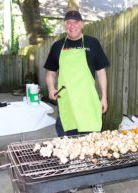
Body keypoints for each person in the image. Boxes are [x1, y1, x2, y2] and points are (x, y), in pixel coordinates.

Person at [44, 10, 108, 193]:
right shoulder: (57, 46)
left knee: (92, 143)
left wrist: (104, 97)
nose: (71, 25)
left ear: (82, 24)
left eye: (75, 22)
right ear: (65, 25)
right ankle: (74, 180)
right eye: (68, 22)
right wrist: (50, 88)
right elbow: (50, 72)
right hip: (68, 104)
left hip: (88, 102)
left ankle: (96, 181)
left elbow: (101, 72)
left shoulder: (92, 44)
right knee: (69, 144)